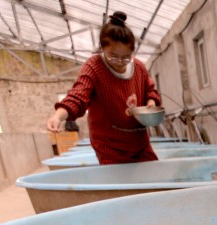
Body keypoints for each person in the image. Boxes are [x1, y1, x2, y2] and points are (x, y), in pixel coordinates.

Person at [46, 11, 161, 165]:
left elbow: (150, 91)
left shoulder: (139, 68)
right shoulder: (94, 68)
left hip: (139, 142)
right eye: (113, 56)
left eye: (126, 57)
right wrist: (58, 116)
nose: (120, 61)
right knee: (120, 186)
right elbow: (78, 96)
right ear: (102, 48)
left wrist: (151, 102)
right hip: (109, 148)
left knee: (153, 176)